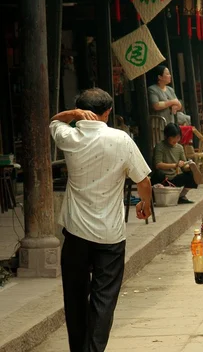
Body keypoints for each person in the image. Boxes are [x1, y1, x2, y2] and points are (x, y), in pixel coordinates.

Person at [50, 88, 152, 352]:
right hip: (110, 234)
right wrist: (145, 204)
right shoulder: (121, 139)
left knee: (74, 297)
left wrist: (71, 114)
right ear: (107, 112)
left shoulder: (70, 136)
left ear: (80, 110)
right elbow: (143, 180)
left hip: (75, 232)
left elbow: (54, 121)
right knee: (104, 297)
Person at [151, 123, 203, 204]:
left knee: (191, 175)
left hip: (173, 179)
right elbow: (158, 165)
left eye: (178, 137)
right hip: (163, 179)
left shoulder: (179, 148)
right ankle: (156, 196)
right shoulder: (160, 146)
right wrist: (175, 165)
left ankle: (181, 196)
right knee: (158, 174)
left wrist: (190, 166)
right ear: (167, 136)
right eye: (173, 138)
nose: (176, 140)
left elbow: (183, 166)